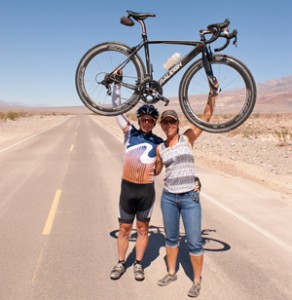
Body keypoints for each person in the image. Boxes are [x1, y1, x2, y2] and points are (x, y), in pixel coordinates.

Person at [155, 86, 217, 297]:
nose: (169, 125)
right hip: (169, 198)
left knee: (194, 240)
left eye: (172, 121)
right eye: (165, 122)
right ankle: (171, 273)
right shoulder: (159, 148)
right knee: (171, 239)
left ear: (178, 124)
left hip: (190, 197)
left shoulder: (188, 138)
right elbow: (156, 170)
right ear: (161, 125)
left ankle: (196, 281)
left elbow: (206, 116)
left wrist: (212, 94)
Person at [110, 75, 163, 281]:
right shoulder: (129, 133)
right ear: (139, 120)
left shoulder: (159, 142)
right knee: (124, 229)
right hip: (128, 189)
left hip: (146, 190)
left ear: (154, 122)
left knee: (142, 229)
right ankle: (121, 262)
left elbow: (158, 171)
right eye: (144, 119)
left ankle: (138, 265)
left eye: (151, 120)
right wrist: (117, 84)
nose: (147, 123)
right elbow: (116, 109)